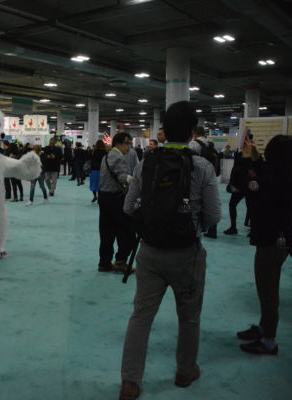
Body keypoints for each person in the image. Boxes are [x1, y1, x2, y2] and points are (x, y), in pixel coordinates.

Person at [119, 101, 220, 400]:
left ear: (162, 130)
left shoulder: (145, 162)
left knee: (141, 316)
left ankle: (130, 382)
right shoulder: (202, 166)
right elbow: (214, 214)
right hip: (186, 254)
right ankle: (185, 371)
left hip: (149, 252)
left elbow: (128, 206)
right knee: (189, 317)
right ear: (192, 132)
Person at [231, 134, 292, 356]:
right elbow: (264, 175)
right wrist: (255, 159)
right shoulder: (283, 174)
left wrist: (245, 159)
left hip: (271, 243)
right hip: (278, 239)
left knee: (268, 292)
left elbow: (241, 182)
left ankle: (269, 341)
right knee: (267, 290)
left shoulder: (273, 181)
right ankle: (265, 328)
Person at [98, 132, 135, 273]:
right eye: (128, 143)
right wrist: (135, 181)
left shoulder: (106, 156)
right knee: (128, 232)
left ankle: (104, 263)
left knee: (106, 232)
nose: (129, 147)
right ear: (119, 143)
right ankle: (120, 261)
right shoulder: (119, 157)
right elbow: (123, 179)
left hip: (104, 197)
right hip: (116, 199)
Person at [189, 126, 219, 239]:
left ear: (194, 133)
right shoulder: (209, 143)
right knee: (210, 201)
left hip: (197, 178)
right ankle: (212, 230)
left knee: (197, 202)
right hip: (210, 174)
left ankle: (200, 228)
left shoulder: (194, 144)